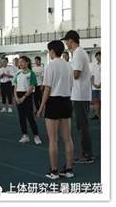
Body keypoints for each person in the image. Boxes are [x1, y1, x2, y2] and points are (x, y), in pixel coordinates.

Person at [37, 40, 74, 180]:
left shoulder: (50, 66)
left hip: (54, 102)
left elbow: (47, 88)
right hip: (66, 101)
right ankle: (69, 170)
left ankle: (54, 171)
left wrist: (41, 107)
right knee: (67, 138)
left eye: (49, 51)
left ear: (52, 51)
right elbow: (71, 85)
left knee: (53, 140)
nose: (49, 53)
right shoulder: (68, 66)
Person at [63, 30, 94, 163]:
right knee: (82, 125)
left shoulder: (78, 53)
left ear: (71, 40)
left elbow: (76, 74)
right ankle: (86, 153)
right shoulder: (79, 53)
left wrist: (65, 74)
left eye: (66, 41)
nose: (66, 43)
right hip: (80, 93)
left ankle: (87, 155)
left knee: (82, 126)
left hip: (80, 95)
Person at [13, 56, 42, 145]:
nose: (20, 64)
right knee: (21, 117)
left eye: (22, 62)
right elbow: (15, 86)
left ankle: (36, 136)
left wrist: (23, 97)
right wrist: (16, 97)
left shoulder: (31, 73)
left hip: (27, 96)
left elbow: (32, 87)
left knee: (30, 117)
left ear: (27, 62)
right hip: (18, 95)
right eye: (19, 62)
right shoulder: (18, 73)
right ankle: (25, 135)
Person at [91, 51, 101, 120]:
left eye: (99, 56)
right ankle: (97, 115)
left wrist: (100, 84)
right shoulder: (94, 65)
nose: (97, 57)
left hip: (101, 87)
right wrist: (93, 84)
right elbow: (92, 75)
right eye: (96, 56)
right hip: (94, 87)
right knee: (96, 101)